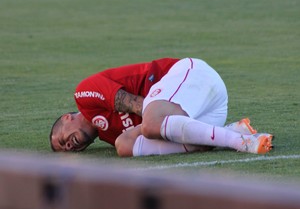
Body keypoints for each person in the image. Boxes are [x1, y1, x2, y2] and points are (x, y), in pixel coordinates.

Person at [50, 57, 273, 157]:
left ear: (66, 118)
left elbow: (139, 105)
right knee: (124, 146)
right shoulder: (108, 136)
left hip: (193, 75)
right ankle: (226, 133)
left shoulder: (84, 94)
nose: (68, 146)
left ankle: (241, 141)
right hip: (204, 113)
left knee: (149, 125)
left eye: (62, 140)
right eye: (66, 149)